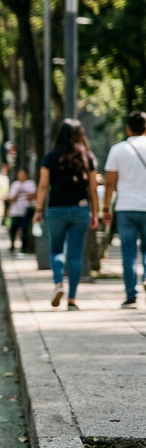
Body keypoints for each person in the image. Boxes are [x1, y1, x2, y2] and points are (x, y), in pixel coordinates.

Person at [34, 119, 99, 311]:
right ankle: (72, 299)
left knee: (56, 250)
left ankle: (58, 284)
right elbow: (93, 188)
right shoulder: (88, 156)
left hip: (56, 209)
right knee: (76, 255)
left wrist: (38, 210)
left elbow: (43, 185)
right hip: (80, 209)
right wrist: (95, 213)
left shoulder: (51, 156)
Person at [102, 110, 146, 310]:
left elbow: (109, 183)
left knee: (128, 253)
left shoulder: (118, 150)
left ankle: (131, 296)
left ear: (128, 128)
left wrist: (106, 208)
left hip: (126, 208)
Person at [7, 169, 37, 258]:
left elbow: (33, 196)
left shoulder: (30, 184)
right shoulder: (15, 184)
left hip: (26, 211)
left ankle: (24, 249)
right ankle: (12, 247)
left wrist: (26, 193)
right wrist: (19, 191)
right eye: (19, 174)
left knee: (25, 230)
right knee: (13, 229)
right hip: (15, 211)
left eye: (23, 174)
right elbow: (11, 199)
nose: (21, 176)